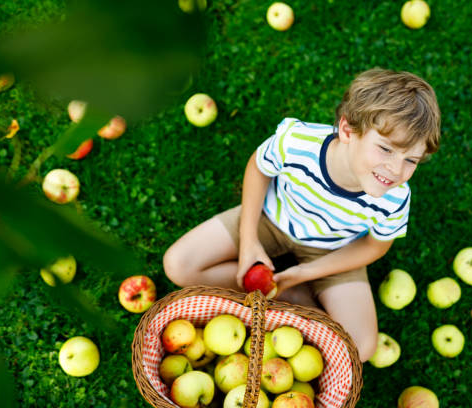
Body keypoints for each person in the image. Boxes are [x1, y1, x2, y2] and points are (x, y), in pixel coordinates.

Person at [163, 68, 441, 362]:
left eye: (411, 159)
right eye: (385, 149)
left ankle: (292, 292)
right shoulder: (297, 143)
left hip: (334, 249)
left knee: (359, 348)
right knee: (178, 265)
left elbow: (375, 246)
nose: (396, 170)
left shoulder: (395, 197)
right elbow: (259, 168)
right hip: (270, 220)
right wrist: (248, 242)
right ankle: (287, 298)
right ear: (348, 131)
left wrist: (306, 273)